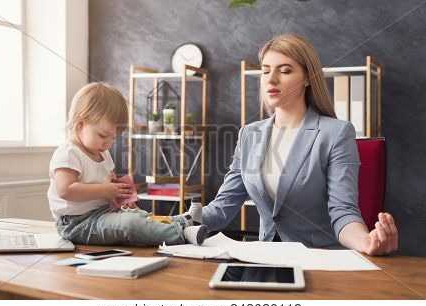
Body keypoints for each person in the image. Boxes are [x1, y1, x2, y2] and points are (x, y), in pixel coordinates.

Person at [182, 34, 398, 256]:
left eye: (285, 71)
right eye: (266, 71)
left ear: (307, 78)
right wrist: (161, 224)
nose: (271, 79)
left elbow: (343, 212)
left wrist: (364, 241)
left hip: (318, 258)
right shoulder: (249, 134)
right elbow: (221, 209)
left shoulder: (336, 133)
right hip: (266, 257)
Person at [47, 82, 208, 246]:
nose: (108, 143)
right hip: (77, 223)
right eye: (103, 136)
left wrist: (122, 199)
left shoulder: (102, 152)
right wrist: (104, 191)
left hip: (103, 212)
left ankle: (183, 220)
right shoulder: (69, 153)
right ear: (80, 124)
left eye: (113, 138)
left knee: (139, 215)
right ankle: (183, 233)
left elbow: (113, 182)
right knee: (130, 224)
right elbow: (65, 190)